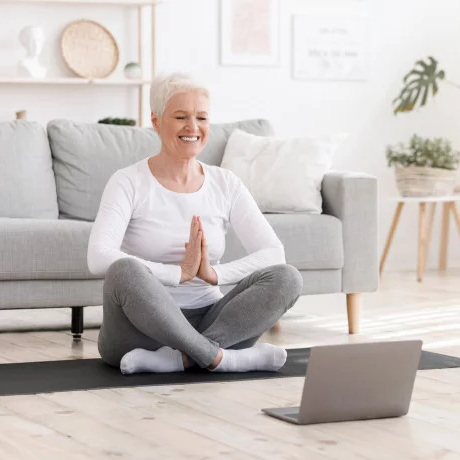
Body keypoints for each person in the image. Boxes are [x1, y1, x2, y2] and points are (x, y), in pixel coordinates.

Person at [87, 72, 303, 375]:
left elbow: (273, 253)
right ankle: (221, 359)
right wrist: (178, 273)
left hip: (211, 321)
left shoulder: (225, 183)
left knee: (287, 278)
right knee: (124, 270)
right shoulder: (128, 182)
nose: (193, 127)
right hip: (139, 335)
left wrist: (215, 273)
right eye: (180, 117)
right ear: (156, 120)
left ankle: (184, 358)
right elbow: (98, 257)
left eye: (201, 117)